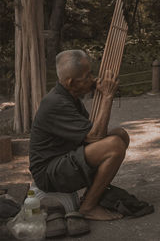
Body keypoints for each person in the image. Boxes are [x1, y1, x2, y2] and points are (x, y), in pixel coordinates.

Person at [29, 50, 130, 221]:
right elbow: (95, 137)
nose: (92, 78)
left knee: (120, 135)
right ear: (71, 82)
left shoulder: (70, 96)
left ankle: (93, 195)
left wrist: (100, 91)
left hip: (64, 159)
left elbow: (90, 133)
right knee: (115, 146)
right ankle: (88, 207)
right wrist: (107, 96)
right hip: (48, 173)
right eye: (87, 76)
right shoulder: (55, 102)